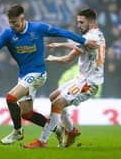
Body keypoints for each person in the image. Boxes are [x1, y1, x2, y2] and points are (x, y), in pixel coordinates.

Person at [0, 5, 95, 145]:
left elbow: (61, 32)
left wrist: (84, 40)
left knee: (10, 98)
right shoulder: (8, 33)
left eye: (15, 22)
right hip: (24, 75)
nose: (13, 26)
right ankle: (58, 129)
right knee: (27, 114)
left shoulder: (37, 28)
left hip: (38, 73)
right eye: (10, 23)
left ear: (22, 19)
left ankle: (17, 132)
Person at [23, 8, 106, 148]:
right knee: (52, 97)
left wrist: (55, 54)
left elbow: (67, 59)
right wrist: (60, 47)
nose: (79, 25)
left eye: (81, 22)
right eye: (78, 22)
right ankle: (71, 130)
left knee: (57, 104)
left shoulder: (91, 37)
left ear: (91, 22)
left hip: (88, 83)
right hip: (80, 79)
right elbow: (76, 50)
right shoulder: (96, 35)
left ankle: (43, 141)